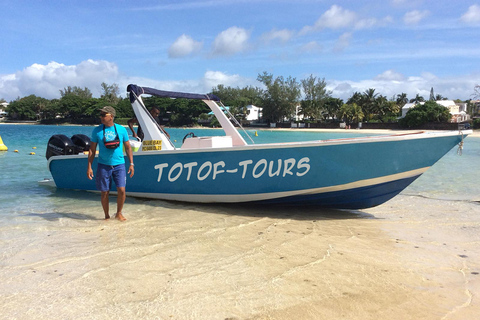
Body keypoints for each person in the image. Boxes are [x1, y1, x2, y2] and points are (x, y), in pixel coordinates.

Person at [87, 106, 134, 221]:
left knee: (122, 190)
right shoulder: (97, 131)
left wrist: (132, 164)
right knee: (104, 192)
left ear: (111, 116)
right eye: (101, 115)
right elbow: (92, 150)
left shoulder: (121, 129)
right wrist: (89, 167)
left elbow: (128, 147)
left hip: (119, 165)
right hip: (103, 165)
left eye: (104, 115)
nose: (101, 117)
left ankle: (119, 213)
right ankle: (106, 216)